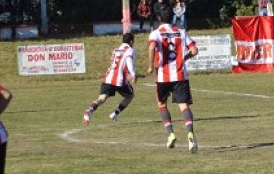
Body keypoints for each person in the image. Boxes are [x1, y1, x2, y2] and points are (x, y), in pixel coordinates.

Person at [148, 21, 200, 151]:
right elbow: (194, 50)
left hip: (163, 77)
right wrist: (184, 58)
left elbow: (151, 47)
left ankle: (171, 134)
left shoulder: (156, 33)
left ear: (159, 18)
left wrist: (150, 66)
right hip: (180, 75)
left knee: (161, 105)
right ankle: (190, 134)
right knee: (184, 106)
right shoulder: (181, 32)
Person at [83, 33, 137, 126]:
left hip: (108, 78)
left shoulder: (116, 49)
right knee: (130, 96)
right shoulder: (130, 50)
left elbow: (113, 60)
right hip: (120, 80)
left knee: (102, 98)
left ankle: (89, 110)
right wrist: (133, 74)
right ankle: (115, 114)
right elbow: (128, 60)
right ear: (131, 41)